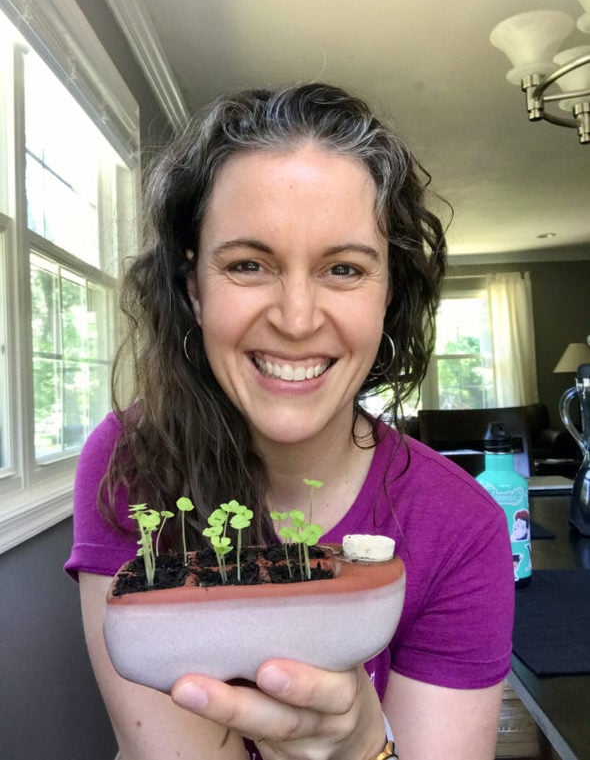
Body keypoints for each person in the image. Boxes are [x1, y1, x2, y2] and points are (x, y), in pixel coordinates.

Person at [66, 83, 514, 760]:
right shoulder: (131, 463)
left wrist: (366, 745)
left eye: (343, 267)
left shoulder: (462, 529)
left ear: (389, 292)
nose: (297, 319)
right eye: (249, 264)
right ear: (194, 287)